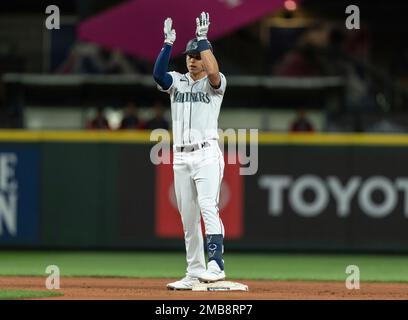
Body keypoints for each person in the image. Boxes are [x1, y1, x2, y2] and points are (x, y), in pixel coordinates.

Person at [153, 12, 227, 290]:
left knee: (209, 207)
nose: (192, 59)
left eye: (196, 56)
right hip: (181, 156)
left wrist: (204, 40)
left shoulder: (214, 85)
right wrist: (168, 44)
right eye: (189, 56)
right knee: (188, 218)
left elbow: (214, 72)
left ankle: (216, 265)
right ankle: (194, 272)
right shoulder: (178, 81)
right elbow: (158, 75)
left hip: (207, 153)